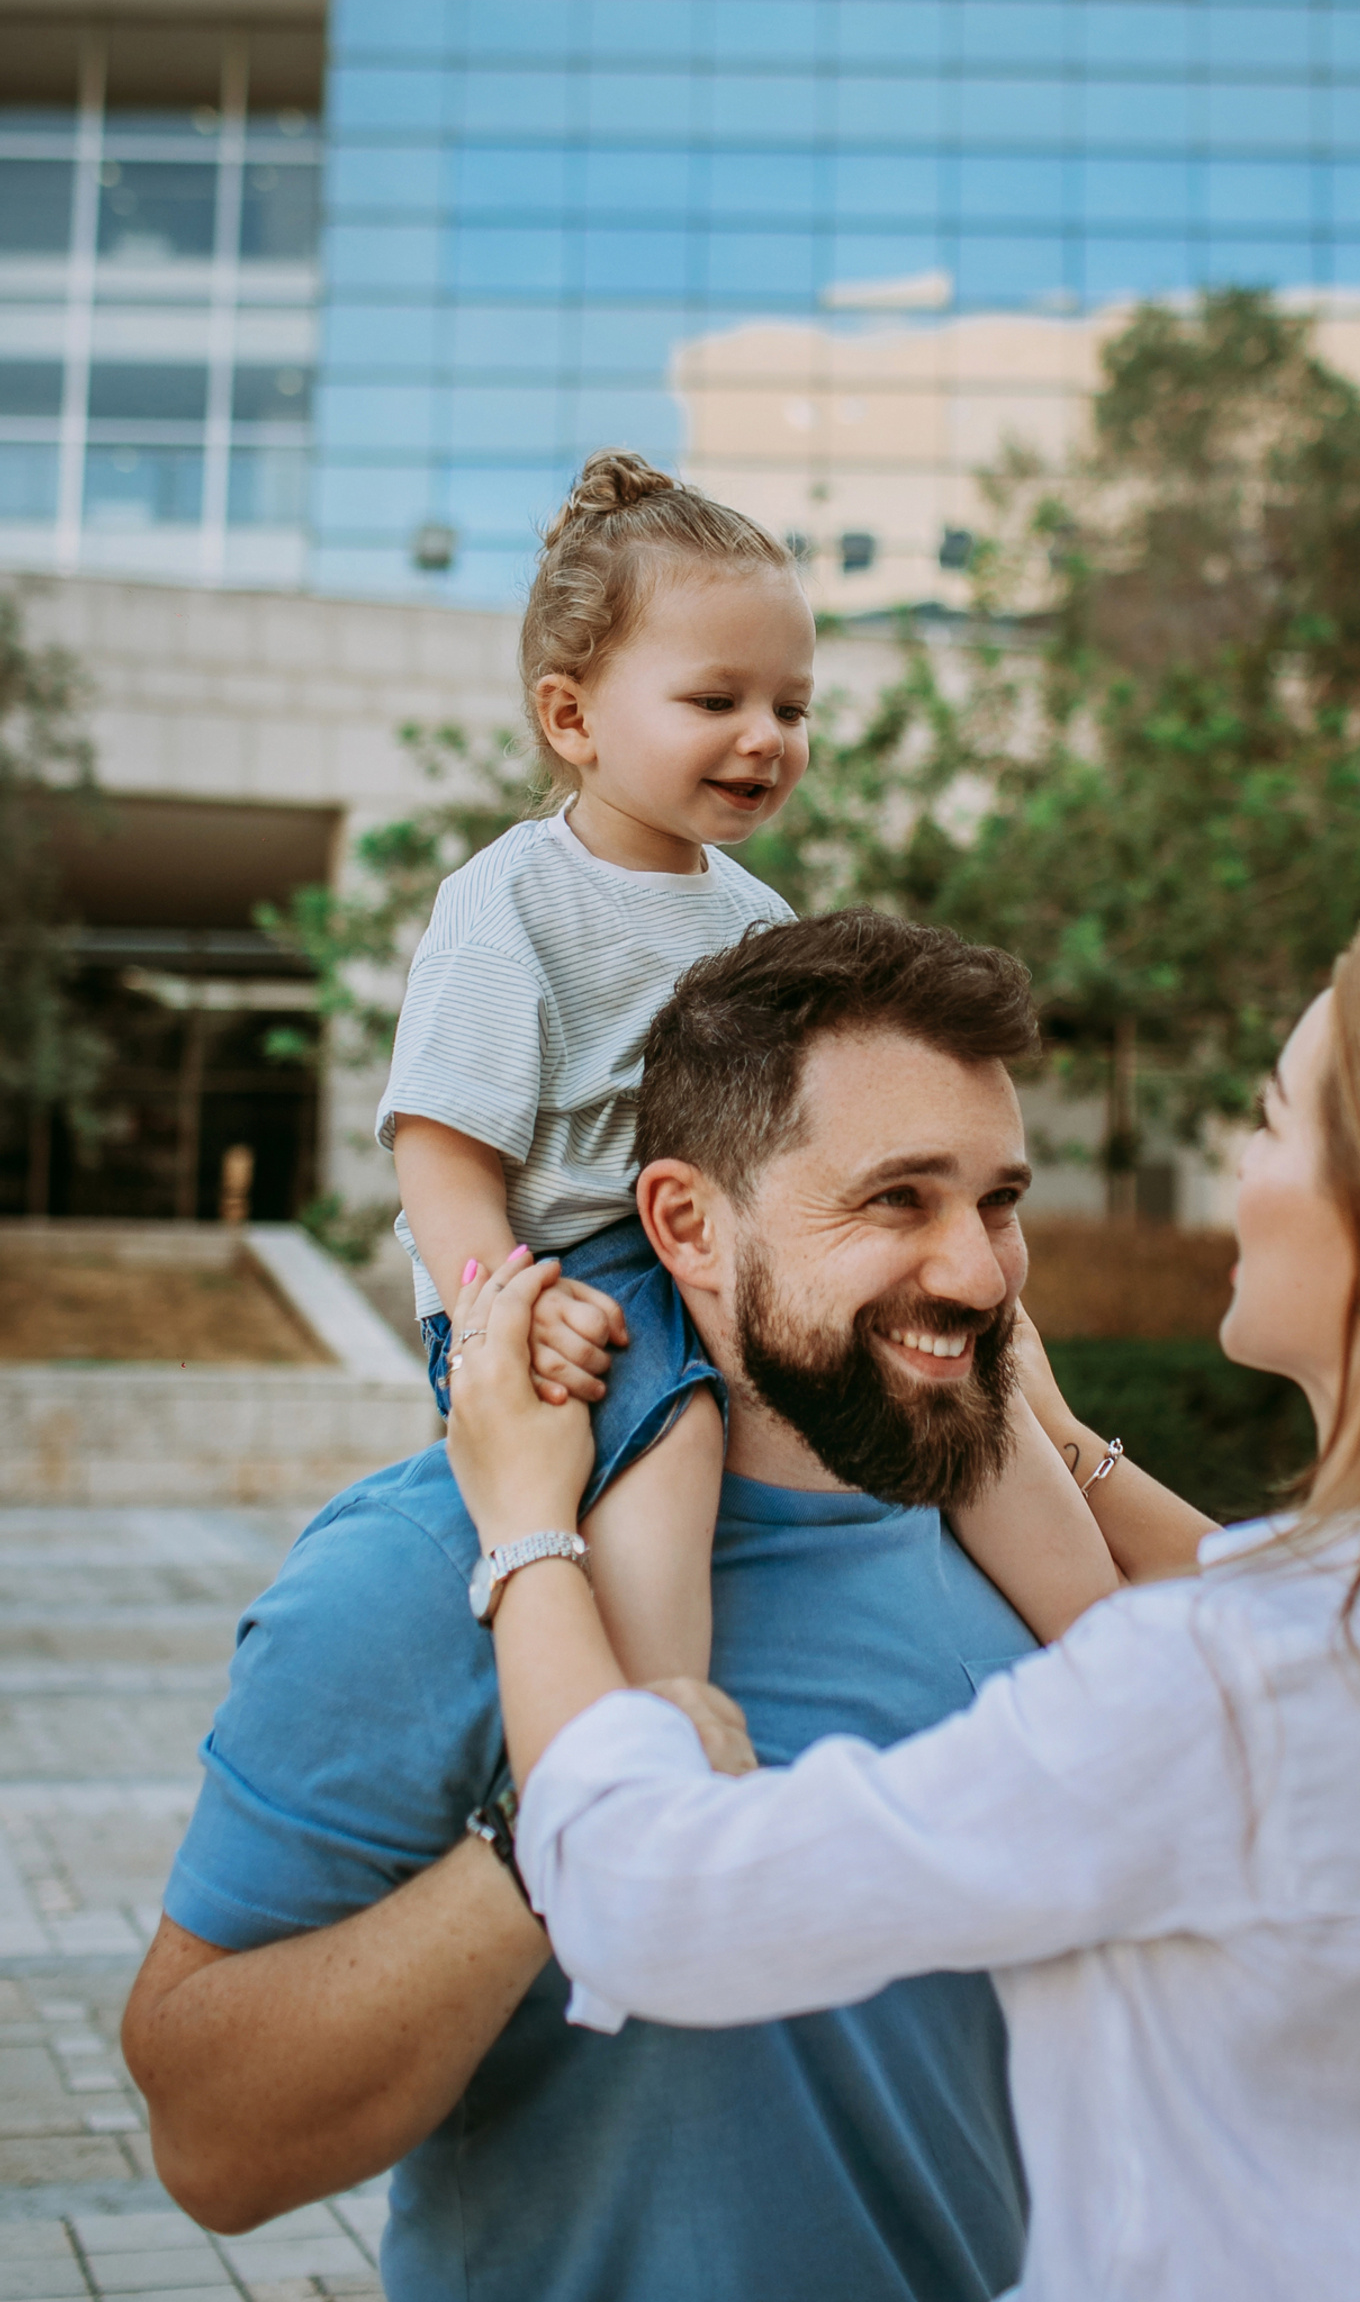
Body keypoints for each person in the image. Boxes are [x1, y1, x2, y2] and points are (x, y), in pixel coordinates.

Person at [447, 885, 1360, 2302]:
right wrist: (1059, 1441)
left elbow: (644, 1900)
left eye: (1269, 1117)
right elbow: (1277, 1619)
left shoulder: (1229, 1689)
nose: (1236, 1162)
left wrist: (523, 1523)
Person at [122, 910, 1209, 2302]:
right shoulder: (416, 1569)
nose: (982, 1271)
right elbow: (211, 2145)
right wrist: (562, 1836)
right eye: (898, 1200)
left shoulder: (1002, 1533)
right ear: (685, 1223)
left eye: (999, 1201)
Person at [381, 445, 1119, 1679]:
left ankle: (1111, 1652)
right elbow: (440, 1148)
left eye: (791, 707)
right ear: (572, 718)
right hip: (567, 1270)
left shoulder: (756, 917)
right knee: (668, 1439)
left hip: (733, 1245)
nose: (765, 738)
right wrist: (503, 1303)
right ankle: (666, 1727)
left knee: (971, 1394)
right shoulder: (512, 896)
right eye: (715, 702)